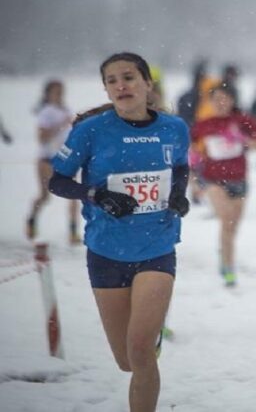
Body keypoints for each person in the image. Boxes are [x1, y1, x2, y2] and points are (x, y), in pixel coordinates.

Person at [48, 52, 190, 412]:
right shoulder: (91, 131)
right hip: (106, 251)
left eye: (128, 77)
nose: (121, 85)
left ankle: (147, 340)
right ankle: (147, 340)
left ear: (147, 83)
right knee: (127, 361)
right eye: (111, 80)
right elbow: (57, 180)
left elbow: (180, 166)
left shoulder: (174, 128)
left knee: (140, 352)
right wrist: (96, 195)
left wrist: (178, 194)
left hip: (157, 247)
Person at [191, 85, 256, 287]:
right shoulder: (204, 124)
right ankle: (229, 266)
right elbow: (190, 148)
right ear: (210, 102)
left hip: (239, 180)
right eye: (216, 99)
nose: (220, 103)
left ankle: (224, 252)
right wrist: (194, 171)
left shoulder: (243, 121)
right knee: (227, 220)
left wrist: (244, 139)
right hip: (213, 180)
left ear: (232, 100)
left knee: (232, 228)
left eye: (224, 98)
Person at [26, 79, 80, 244]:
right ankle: (31, 221)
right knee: (45, 196)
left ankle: (73, 232)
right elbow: (42, 138)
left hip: (64, 159)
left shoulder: (66, 110)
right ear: (48, 93)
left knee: (74, 195)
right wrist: (61, 124)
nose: (60, 94)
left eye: (61, 91)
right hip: (47, 160)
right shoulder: (47, 112)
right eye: (56, 91)